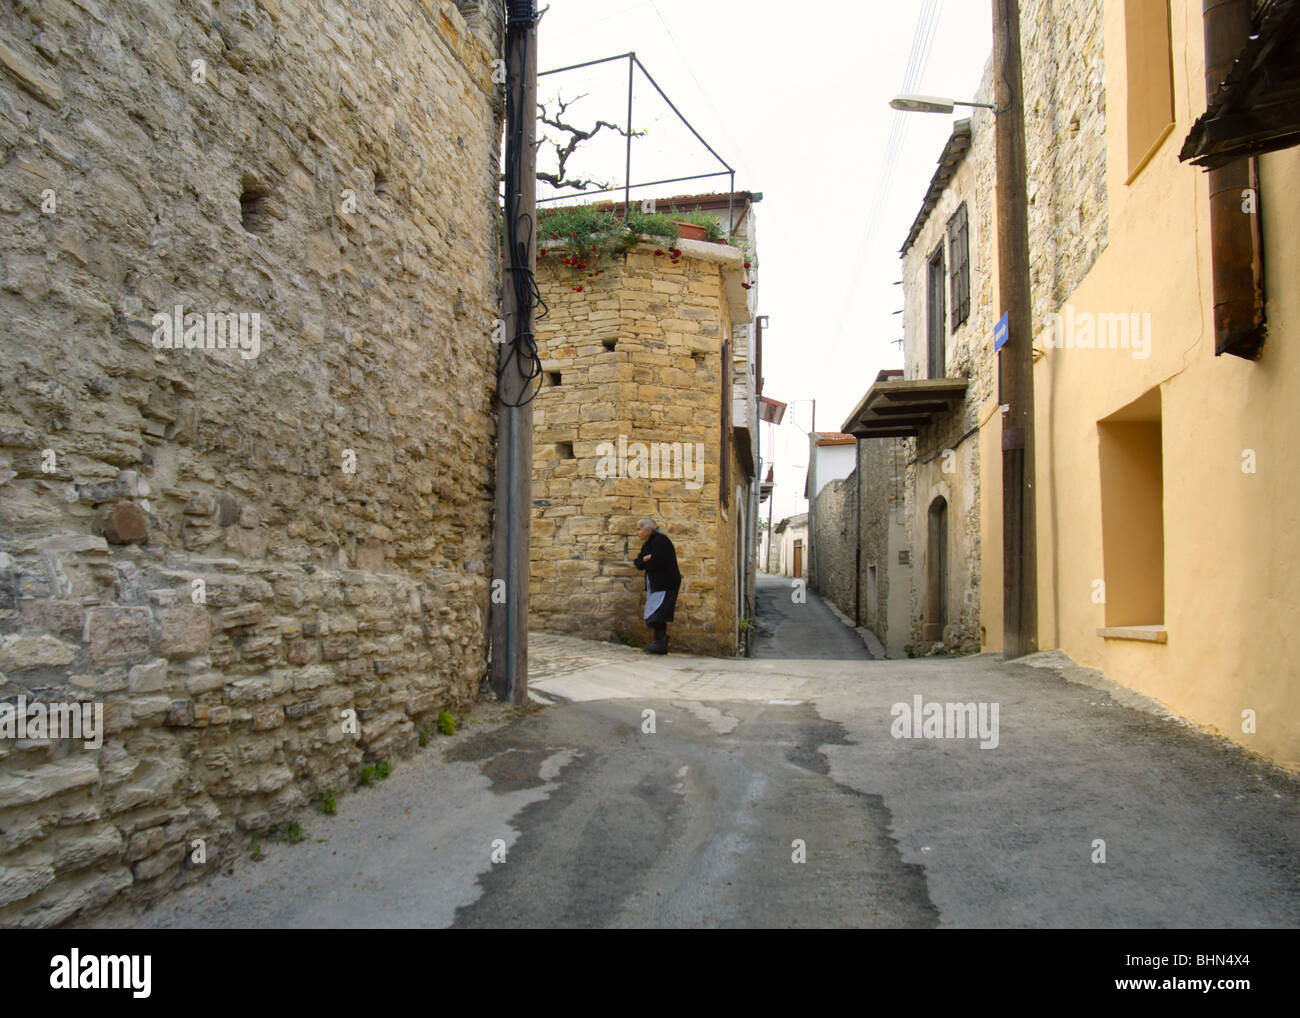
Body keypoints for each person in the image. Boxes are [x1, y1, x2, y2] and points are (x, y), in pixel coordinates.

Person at [633, 517, 681, 654]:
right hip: (656, 584)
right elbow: (638, 563)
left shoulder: (661, 541)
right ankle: (661, 642)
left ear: (648, 530)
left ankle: (660, 642)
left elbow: (656, 562)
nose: (637, 532)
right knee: (655, 612)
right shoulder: (648, 544)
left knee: (657, 612)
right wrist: (645, 558)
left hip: (665, 583)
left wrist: (649, 560)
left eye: (639, 529)